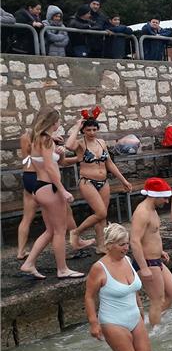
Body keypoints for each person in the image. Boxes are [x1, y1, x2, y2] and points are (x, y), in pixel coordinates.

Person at [19, 107, 84, 280]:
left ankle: (28, 263)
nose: (60, 124)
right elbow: (49, 166)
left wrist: (60, 154)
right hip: (49, 188)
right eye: (59, 121)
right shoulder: (46, 141)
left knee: (49, 231)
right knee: (60, 231)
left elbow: (54, 163)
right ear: (53, 123)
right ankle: (62, 269)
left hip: (40, 187)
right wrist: (62, 190)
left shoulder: (38, 139)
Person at [84, 223, 151, 351]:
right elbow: (89, 296)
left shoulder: (127, 259)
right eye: (121, 245)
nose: (126, 247)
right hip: (113, 321)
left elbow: (133, 290)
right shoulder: (99, 268)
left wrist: (141, 310)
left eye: (127, 243)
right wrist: (94, 323)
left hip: (134, 316)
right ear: (109, 245)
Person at [65, 108, 133, 252]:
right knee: (101, 213)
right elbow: (68, 146)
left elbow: (109, 163)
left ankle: (101, 246)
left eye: (94, 129)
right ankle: (76, 232)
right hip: (87, 181)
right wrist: (78, 125)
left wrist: (124, 180)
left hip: (103, 181)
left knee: (102, 216)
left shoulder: (101, 142)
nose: (91, 132)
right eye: (88, 130)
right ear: (84, 130)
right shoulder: (80, 143)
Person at [130, 178, 172, 326]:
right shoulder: (142, 212)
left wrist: (161, 250)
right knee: (157, 300)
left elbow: (151, 235)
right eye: (164, 198)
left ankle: (152, 320)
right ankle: (156, 332)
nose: (166, 201)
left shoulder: (152, 210)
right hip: (147, 263)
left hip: (156, 259)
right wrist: (144, 268)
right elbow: (134, 241)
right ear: (154, 195)